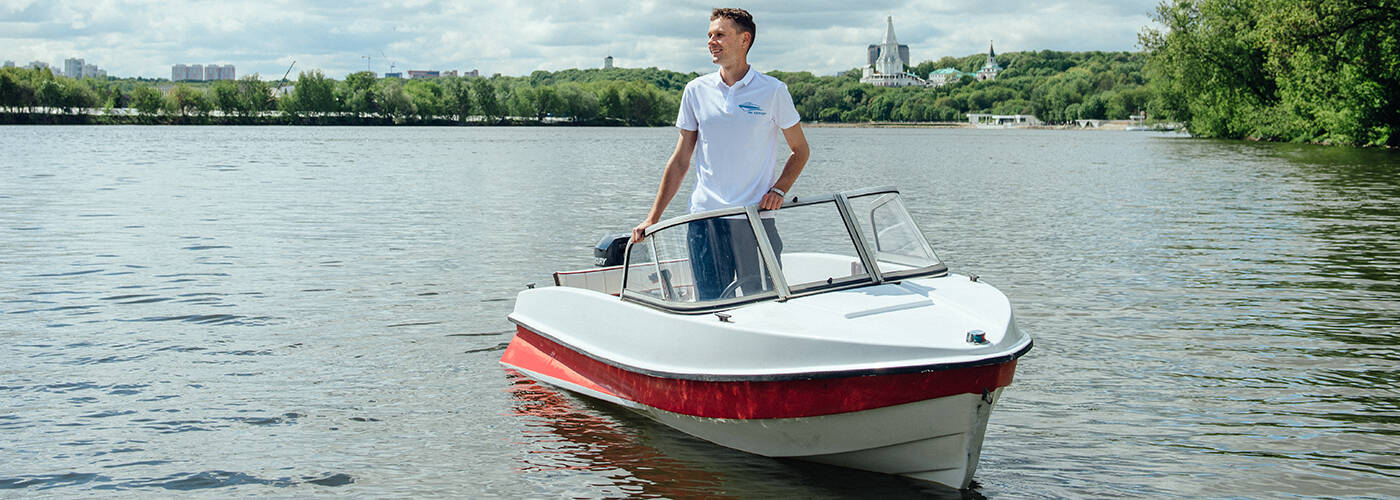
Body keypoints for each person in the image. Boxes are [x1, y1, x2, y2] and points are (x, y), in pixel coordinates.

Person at [631, 7, 810, 300]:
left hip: (753, 218)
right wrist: (653, 217)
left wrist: (779, 189)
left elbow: (800, 150)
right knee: (711, 305)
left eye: (720, 35)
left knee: (765, 303)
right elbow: (680, 161)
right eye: (709, 35)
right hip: (705, 220)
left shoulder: (773, 91)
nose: (711, 42)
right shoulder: (695, 90)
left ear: (744, 39)